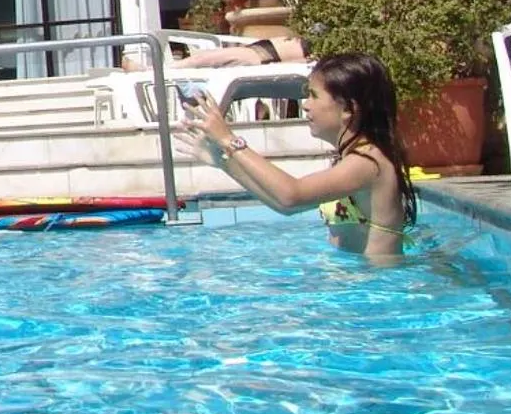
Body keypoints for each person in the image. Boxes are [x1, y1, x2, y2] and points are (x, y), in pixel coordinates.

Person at [175, 50, 417, 259]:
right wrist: (225, 162)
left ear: (348, 109)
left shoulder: (368, 163)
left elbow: (292, 195)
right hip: (364, 286)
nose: (305, 104)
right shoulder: (355, 159)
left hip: (379, 290)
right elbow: (283, 205)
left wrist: (229, 140)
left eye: (313, 95)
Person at [172, 33, 308, 68]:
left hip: (264, 55)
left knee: (201, 59)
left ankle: (166, 69)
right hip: (266, 51)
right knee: (203, 59)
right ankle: (168, 68)